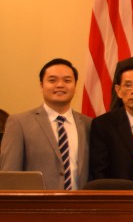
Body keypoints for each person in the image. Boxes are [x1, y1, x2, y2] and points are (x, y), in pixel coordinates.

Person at [0, 59, 91, 190]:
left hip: (79, 205)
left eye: (67, 80)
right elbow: (10, 175)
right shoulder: (19, 123)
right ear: (42, 85)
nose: (60, 85)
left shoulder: (89, 124)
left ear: (75, 85)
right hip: (37, 206)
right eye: (52, 80)